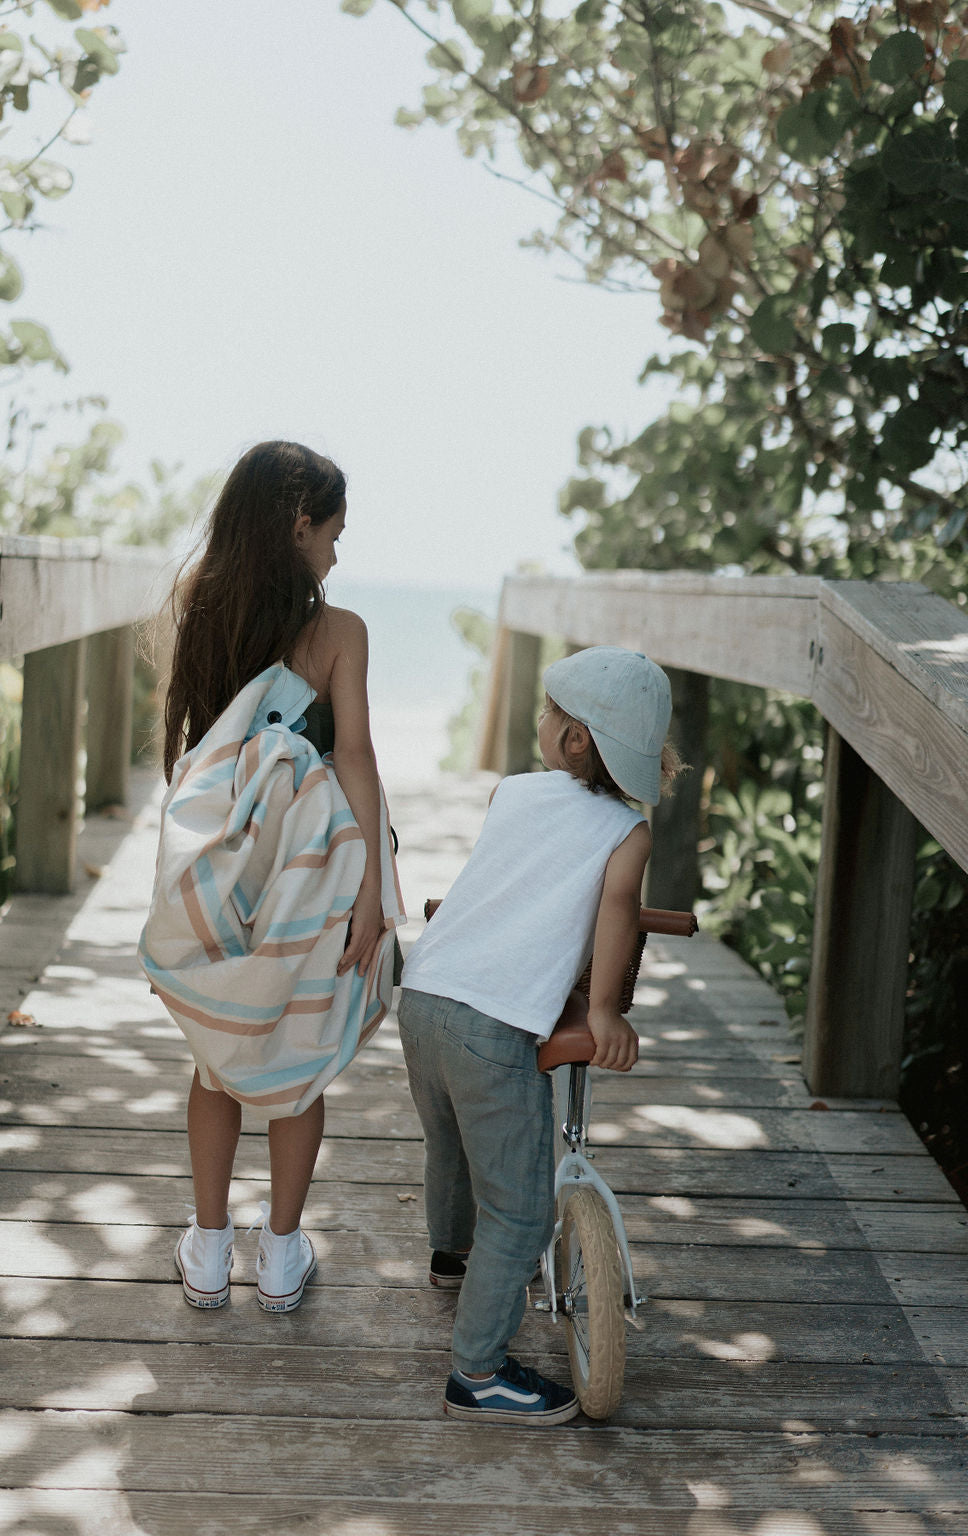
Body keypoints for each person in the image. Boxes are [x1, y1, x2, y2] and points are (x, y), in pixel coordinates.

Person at [139, 440, 403, 1315]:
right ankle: (282, 1255)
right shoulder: (341, 633)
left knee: (216, 1062)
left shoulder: (200, 603)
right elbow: (354, 756)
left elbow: (196, 751)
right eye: (333, 533)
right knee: (301, 1053)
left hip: (220, 860)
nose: (336, 553)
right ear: (299, 525)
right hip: (311, 872)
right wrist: (374, 892)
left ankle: (210, 1248)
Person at [397, 646, 681, 1425]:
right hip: (492, 1026)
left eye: (551, 711)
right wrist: (603, 1012)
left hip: (423, 995)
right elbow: (617, 913)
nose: (541, 718)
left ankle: (452, 1257)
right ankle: (479, 1371)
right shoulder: (627, 832)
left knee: (449, 1142)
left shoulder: (512, 791)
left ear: (574, 739)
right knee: (520, 1213)